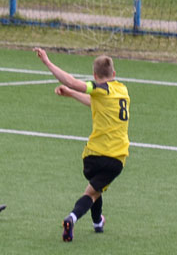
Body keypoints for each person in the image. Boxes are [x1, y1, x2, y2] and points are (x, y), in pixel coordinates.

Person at [34, 48, 130, 241]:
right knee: (92, 194)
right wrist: (70, 91)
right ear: (114, 74)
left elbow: (73, 82)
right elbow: (86, 94)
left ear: (95, 75)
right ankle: (72, 217)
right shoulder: (122, 90)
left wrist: (47, 61)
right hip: (114, 158)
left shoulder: (99, 90)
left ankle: (97, 222)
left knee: (95, 188)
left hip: (91, 157)